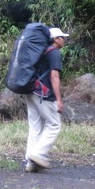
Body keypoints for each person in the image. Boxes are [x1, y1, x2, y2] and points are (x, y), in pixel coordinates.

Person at [22, 27, 68, 173]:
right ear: (55, 39)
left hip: (31, 91)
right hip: (44, 94)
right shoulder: (54, 52)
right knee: (54, 125)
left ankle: (30, 163)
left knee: (35, 127)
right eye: (62, 37)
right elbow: (54, 76)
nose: (64, 40)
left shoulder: (41, 50)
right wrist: (59, 99)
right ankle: (37, 154)